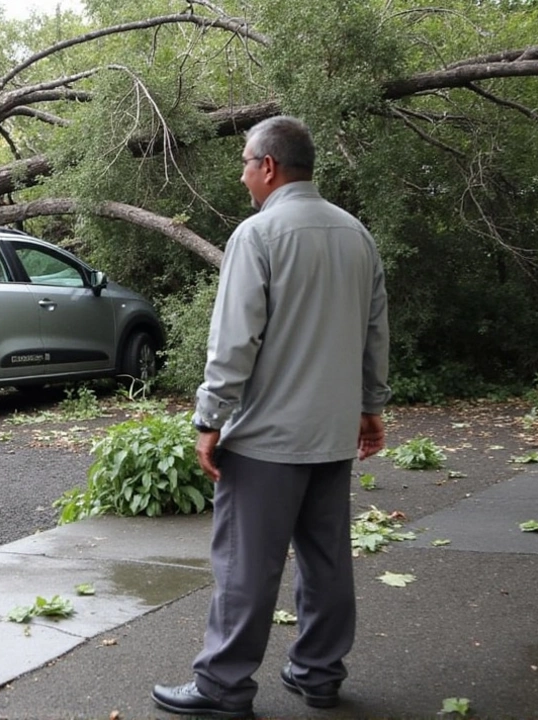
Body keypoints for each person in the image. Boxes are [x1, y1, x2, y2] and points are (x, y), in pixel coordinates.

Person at [152, 116, 390, 719]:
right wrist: (369, 406)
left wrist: (209, 419)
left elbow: (235, 343)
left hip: (266, 440)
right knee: (327, 559)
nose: (241, 176)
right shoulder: (356, 234)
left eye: (244, 163)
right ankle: (318, 674)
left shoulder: (257, 235)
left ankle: (223, 689)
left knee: (245, 568)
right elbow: (374, 332)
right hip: (332, 434)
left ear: (269, 166)